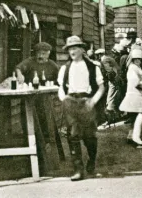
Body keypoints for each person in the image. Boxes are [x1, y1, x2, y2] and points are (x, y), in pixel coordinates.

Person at [58, 36, 105, 181]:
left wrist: (93, 101)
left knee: (89, 136)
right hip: (71, 101)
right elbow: (60, 87)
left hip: (87, 101)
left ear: (82, 50)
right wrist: (64, 98)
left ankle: (91, 161)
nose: (72, 51)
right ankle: (78, 169)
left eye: (75, 48)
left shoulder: (92, 67)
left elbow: (101, 87)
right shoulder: (65, 68)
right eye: (70, 49)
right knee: (72, 136)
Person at [119, 49, 142, 145]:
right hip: (135, 93)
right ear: (132, 59)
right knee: (141, 113)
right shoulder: (133, 68)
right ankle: (136, 136)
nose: (138, 61)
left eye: (139, 59)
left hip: (134, 93)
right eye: (136, 59)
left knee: (134, 116)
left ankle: (131, 135)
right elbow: (135, 82)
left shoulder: (134, 67)